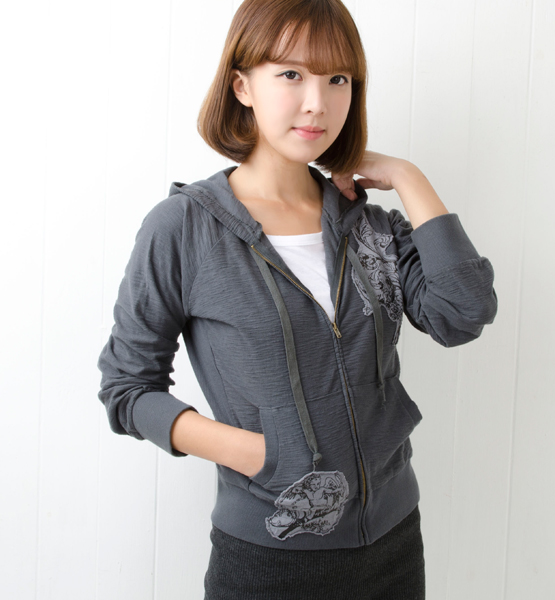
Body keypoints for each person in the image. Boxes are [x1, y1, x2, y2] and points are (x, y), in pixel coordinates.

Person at [97, 0, 498, 598]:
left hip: (394, 544)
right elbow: (127, 388)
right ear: (242, 86)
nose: (318, 102)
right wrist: (257, 453)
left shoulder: (373, 227)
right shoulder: (184, 229)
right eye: (291, 74)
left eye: (338, 79)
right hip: (267, 560)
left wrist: (408, 177)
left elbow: (462, 313)